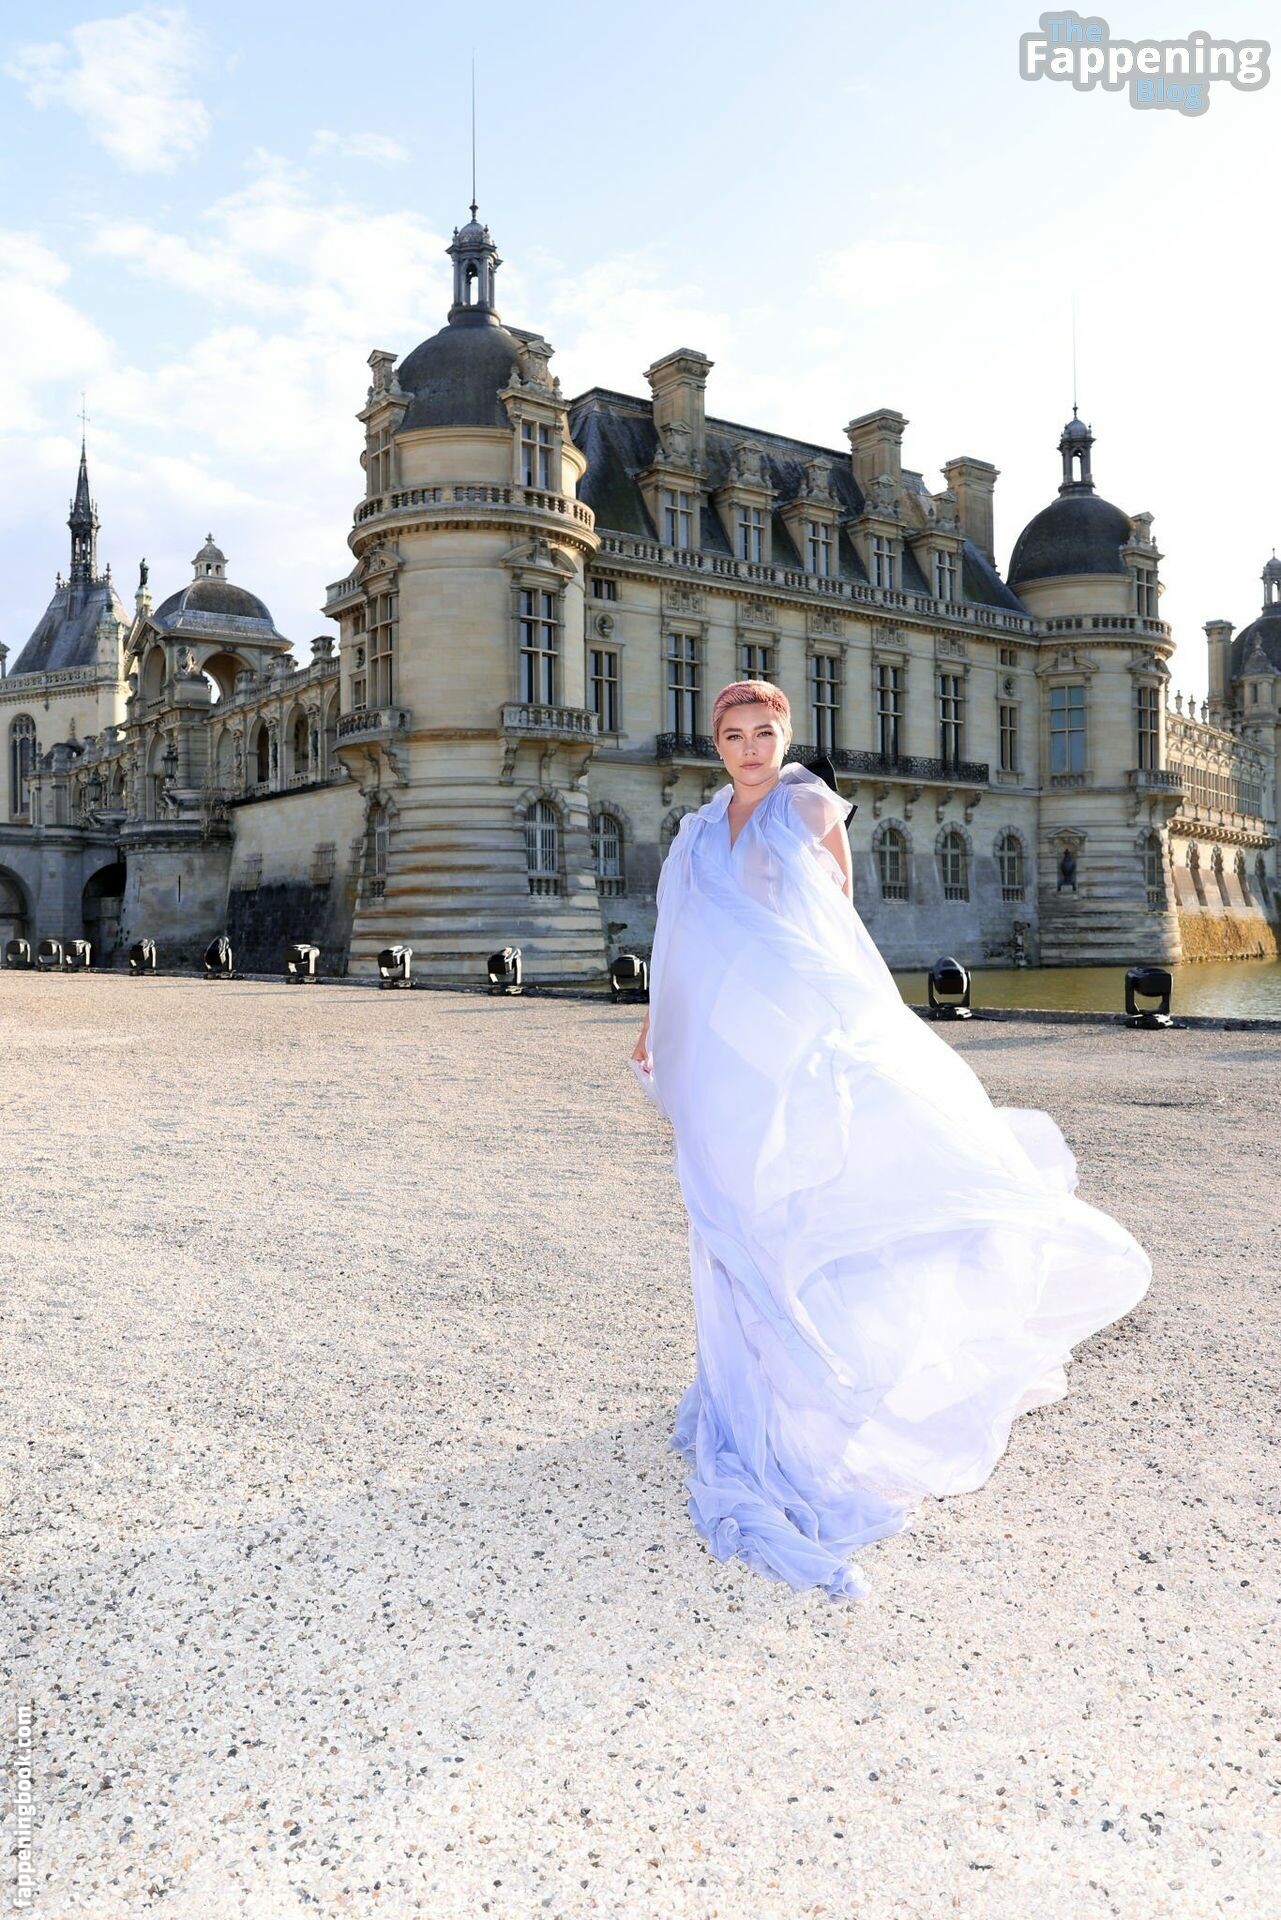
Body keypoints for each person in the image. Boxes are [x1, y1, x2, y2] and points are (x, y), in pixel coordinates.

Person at [628, 680, 1151, 1602]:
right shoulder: (695, 828)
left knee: (801, 1194)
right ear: (715, 742)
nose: (748, 748)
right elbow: (678, 935)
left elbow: (838, 923)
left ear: (787, 736)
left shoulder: (806, 804)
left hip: (794, 1027)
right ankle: (747, 1389)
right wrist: (653, 1026)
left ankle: (813, 1400)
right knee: (730, 1204)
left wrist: (855, 1027)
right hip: (721, 1039)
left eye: (763, 733)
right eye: (733, 734)